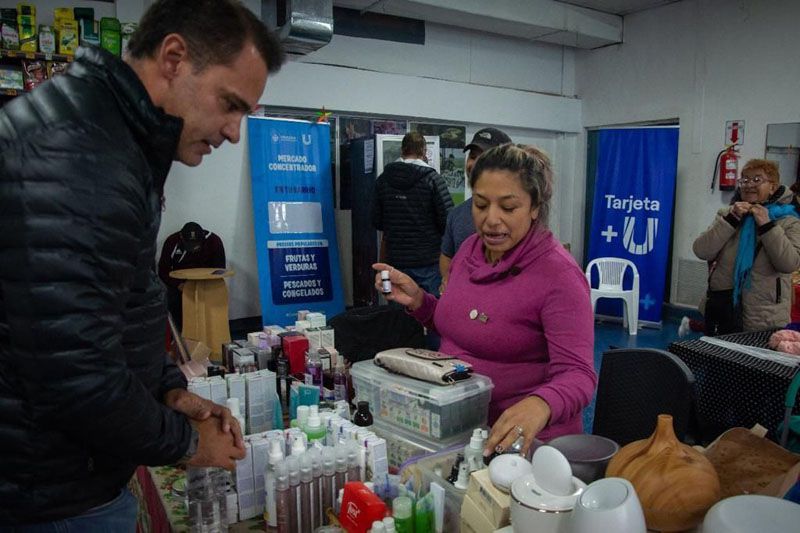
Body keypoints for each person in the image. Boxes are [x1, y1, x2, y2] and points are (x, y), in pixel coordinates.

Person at [0, 0, 285, 529]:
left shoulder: (110, 139)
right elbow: (73, 370)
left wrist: (166, 387)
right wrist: (184, 441)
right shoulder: (79, 155)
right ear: (174, 57)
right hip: (45, 494)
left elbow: (126, 299)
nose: (233, 132)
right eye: (230, 104)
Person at [374, 144, 596, 456]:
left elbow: (579, 375)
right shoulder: (468, 250)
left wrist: (540, 404)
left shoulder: (558, 276)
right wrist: (419, 302)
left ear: (534, 207)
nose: (491, 220)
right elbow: (461, 324)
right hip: (459, 426)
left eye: (508, 208)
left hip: (523, 444)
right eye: (480, 204)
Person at [693, 159, 800, 334]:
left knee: (753, 362)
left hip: (764, 315)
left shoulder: (789, 222)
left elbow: (789, 264)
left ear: (772, 187)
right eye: (744, 180)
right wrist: (730, 221)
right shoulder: (727, 214)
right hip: (723, 307)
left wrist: (767, 226)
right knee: (717, 359)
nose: (749, 185)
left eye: (757, 180)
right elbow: (701, 250)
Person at [371, 131, 454, 297]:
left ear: (402, 150)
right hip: (428, 260)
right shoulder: (432, 179)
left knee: (399, 315)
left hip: (396, 260)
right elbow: (448, 220)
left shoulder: (383, 180)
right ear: (423, 151)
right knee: (431, 311)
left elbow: (377, 221)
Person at [439, 127, 512, 294]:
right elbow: (447, 256)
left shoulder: (517, 217)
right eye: (472, 156)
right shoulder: (456, 213)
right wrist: (448, 280)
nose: (474, 163)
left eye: (484, 157)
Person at [159, 221, 227, 329]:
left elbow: (220, 270)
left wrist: (206, 285)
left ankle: (214, 331)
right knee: (172, 298)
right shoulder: (172, 242)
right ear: (181, 237)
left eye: (197, 245)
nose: (194, 249)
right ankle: (180, 333)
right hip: (180, 284)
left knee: (217, 294)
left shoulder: (214, 241)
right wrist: (179, 285)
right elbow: (163, 271)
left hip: (207, 282)